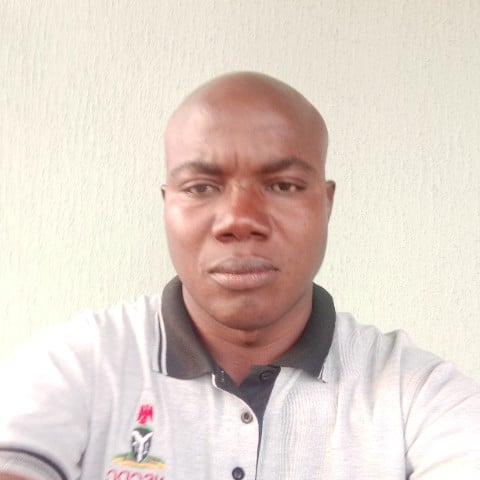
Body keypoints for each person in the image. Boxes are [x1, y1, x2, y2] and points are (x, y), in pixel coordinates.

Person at [0, 72, 479, 480]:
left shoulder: (417, 393)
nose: (239, 219)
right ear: (167, 204)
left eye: (283, 185)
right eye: (200, 187)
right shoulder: (79, 365)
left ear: (326, 203)